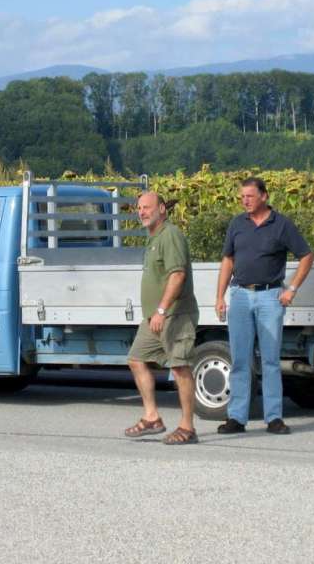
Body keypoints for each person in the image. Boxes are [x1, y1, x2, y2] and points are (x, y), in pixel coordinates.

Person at [215, 177, 314, 434]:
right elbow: (228, 259)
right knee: (239, 359)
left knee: (270, 360)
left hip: (270, 296)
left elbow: (306, 255)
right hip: (239, 295)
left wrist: (291, 288)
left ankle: (273, 418)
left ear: (264, 196)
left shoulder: (281, 225)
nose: (244, 201)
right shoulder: (237, 224)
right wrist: (220, 296)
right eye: (242, 197)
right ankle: (236, 417)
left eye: (249, 196)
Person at [124, 191, 200, 445]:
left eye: (147, 207)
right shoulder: (153, 238)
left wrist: (161, 310)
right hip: (155, 319)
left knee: (179, 367)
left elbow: (177, 276)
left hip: (175, 315)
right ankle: (152, 417)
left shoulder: (171, 235)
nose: (142, 212)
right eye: (139, 208)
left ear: (162, 209)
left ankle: (187, 427)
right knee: (136, 359)